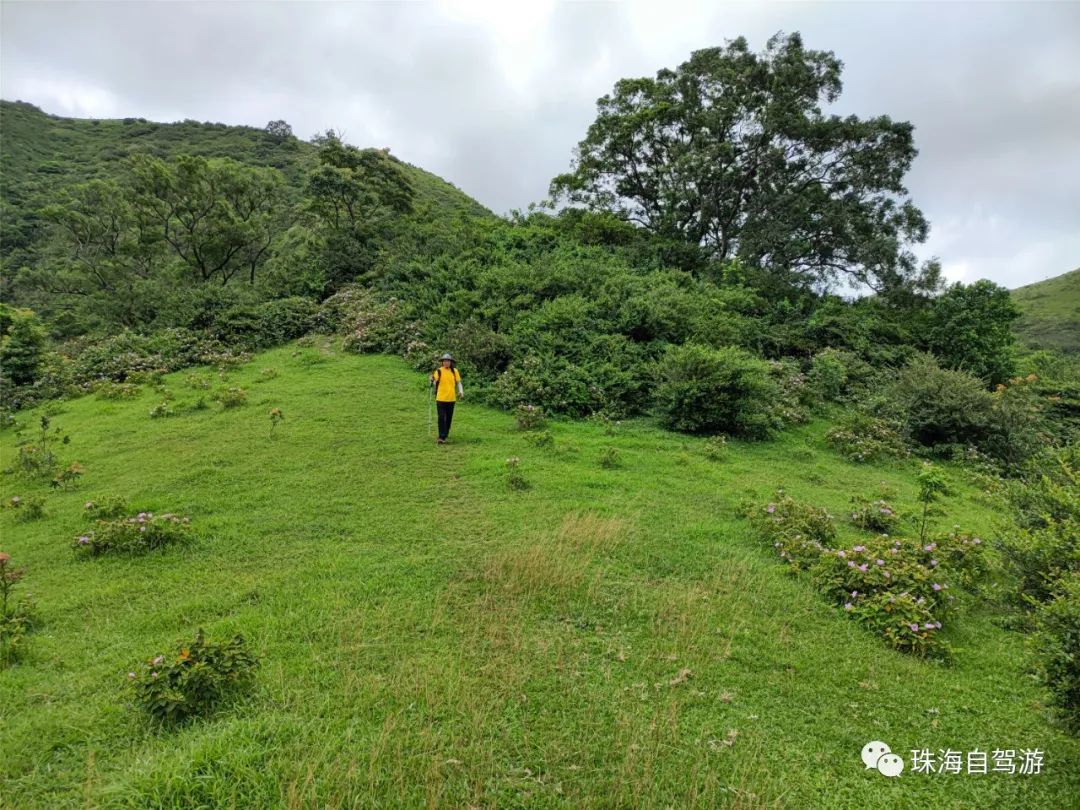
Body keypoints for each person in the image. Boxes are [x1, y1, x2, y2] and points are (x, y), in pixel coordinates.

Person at [430, 353, 463, 444]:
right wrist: (432, 380)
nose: (446, 363)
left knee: (448, 418)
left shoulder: (454, 371)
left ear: (451, 362)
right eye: (444, 361)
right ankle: (441, 437)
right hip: (440, 398)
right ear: (442, 362)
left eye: (448, 361)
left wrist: (461, 391)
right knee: (441, 417)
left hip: (451, 399)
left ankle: (445, 433)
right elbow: (434, 382)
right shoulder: (439, 371)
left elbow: (458, 382)